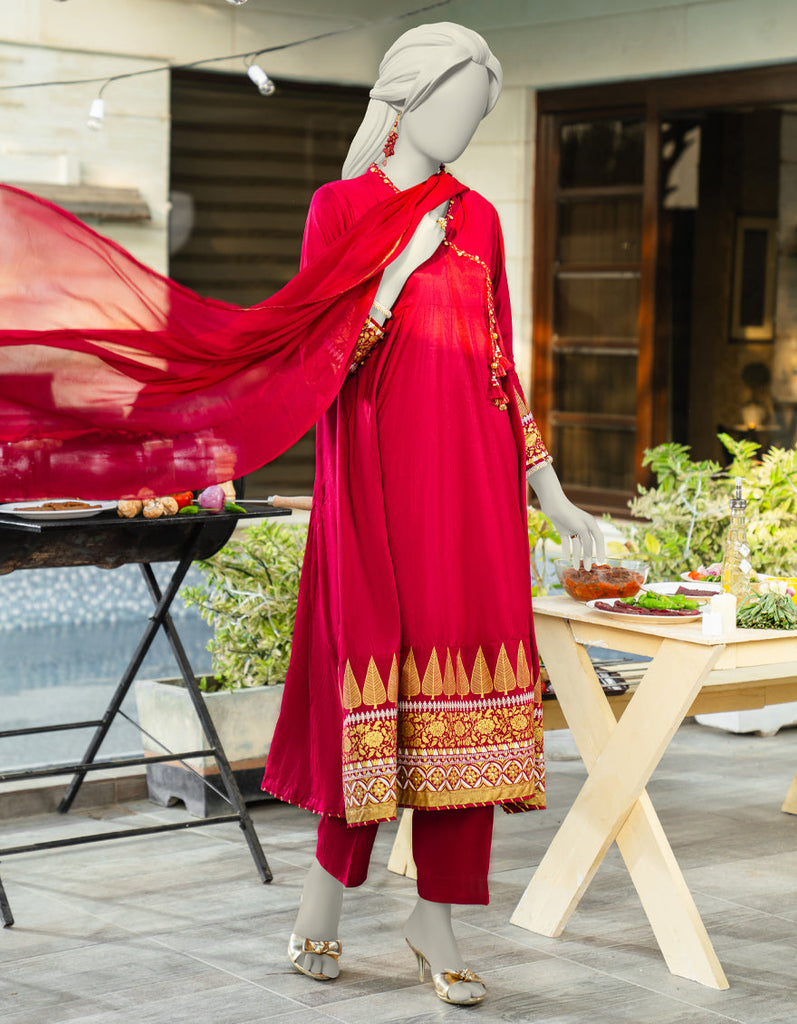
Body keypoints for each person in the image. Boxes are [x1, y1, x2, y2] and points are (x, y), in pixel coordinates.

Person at [260, 22, 605, 1007]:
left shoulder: (481, 218)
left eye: (478, 113)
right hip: (376, 493)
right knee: (371, 696)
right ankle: (321, 903)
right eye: (453, 104)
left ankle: (436, 920)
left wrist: (548, 489)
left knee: (468, 710)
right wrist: (398, 268)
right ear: (404, 99)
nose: (462, 127)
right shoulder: (337, 211)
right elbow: (317, 366)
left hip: (473, 498)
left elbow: (499, 368)